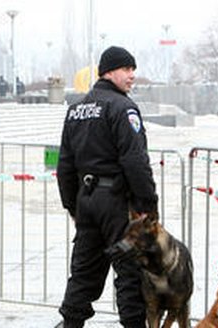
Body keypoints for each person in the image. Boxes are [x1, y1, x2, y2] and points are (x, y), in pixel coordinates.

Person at [56, 46, 158, 328]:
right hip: (116, 203)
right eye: (126, 69)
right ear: (108, 72)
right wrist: (149, 206)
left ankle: (71, 324)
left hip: (87, 202)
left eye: (133, 69)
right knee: (130, 271)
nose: (132, 76)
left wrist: (72, 206)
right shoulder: (122, 108)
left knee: (83, 272)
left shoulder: (76, 110)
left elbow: (65, 165)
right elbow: (135, 161)